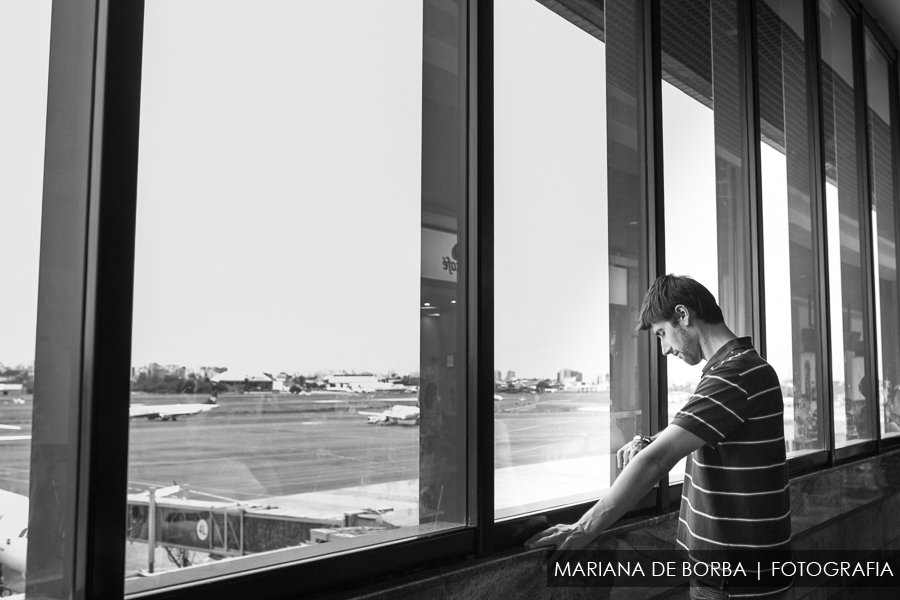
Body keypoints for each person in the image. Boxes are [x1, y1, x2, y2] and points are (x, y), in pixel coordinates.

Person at [525, 274, 792, 599]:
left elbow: (658, 460)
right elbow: (720, 440)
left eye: (663, 334)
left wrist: (583, 529)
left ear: (683, 315)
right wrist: (651, 442)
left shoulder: (733, 374)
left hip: (735, 580)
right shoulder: (745, 368)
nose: (665, 349)